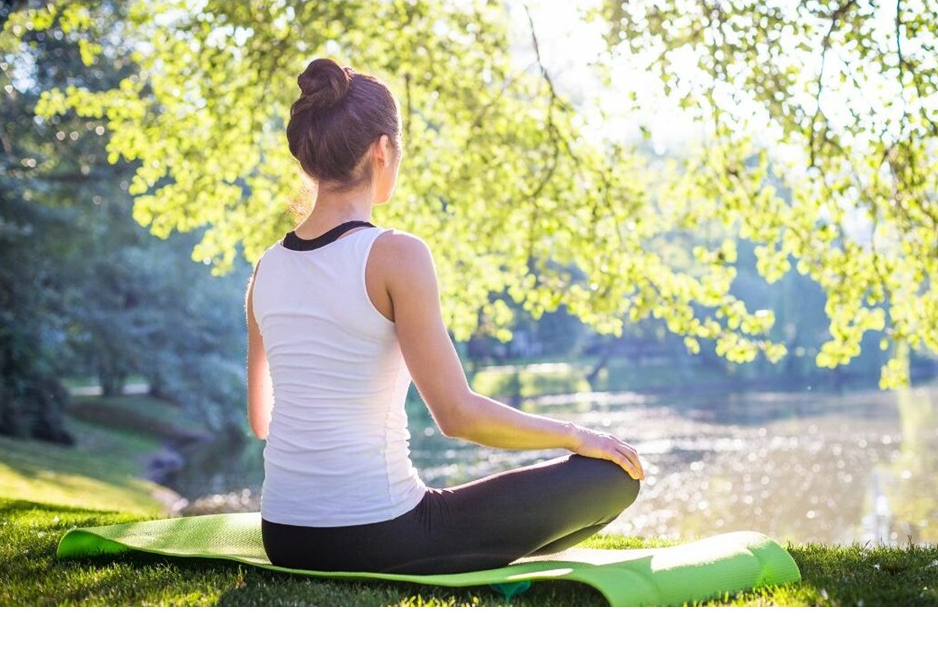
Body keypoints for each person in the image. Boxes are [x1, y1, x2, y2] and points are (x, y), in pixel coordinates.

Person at [245, 58, 643, 575]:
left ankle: (469, 552)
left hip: (284, 534)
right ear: (382, 150)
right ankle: (472, 557)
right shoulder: (396, 254)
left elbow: (261, 420)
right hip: (381, 534)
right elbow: (458, 416)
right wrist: (576, 435)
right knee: (612, 478)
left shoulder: (266, 267)